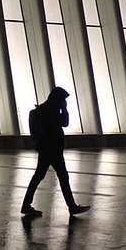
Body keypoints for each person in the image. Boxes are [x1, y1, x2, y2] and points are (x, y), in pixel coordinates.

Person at [21, 86, 91, 218]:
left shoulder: (39, 111)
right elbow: (65, 123)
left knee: (39, 176)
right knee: (63, 177)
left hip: (45, 149)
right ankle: (72, 207)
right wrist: (64, 109)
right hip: (53, 150)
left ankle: (26, 205)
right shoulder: (51, 112)